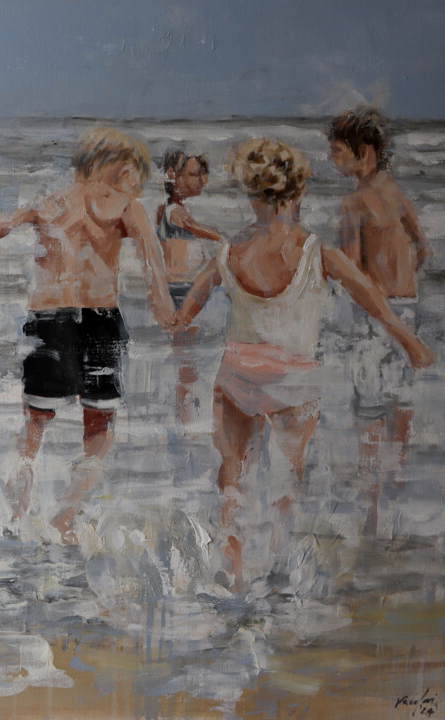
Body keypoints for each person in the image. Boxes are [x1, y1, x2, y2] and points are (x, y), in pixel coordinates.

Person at [176, 138, 434, 590]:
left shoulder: (228, 252)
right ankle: (280, 569)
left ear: (251, 195)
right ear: (299, 193)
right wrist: (410, 342)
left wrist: (175, 327)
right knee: (287, 474)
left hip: (237, 374)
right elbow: (373, 301)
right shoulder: (318, 252)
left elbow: (186, 312)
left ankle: (234, 569)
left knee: (232, 473)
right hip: (293, 379)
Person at [0, 127, 176, 542]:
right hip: (101, 321)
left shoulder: (51, 204)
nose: (139, 183)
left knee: (34, 429)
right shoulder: (126, 207)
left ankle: (16, 516)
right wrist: (171, 318)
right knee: (99, 430)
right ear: (123, 168)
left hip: (49, 320)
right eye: (138, 173)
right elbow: (156, 275)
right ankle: (65, 518)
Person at [329, 107, 432, 535]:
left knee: (370, 411)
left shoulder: (353, 204)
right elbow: (422, 247)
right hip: (407, 308)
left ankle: (373, 512)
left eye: (338, 152)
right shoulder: (397, 193)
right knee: (400, 406)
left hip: (374, 317)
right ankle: (396, 503)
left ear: (365, 153)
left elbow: (351, 273)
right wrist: (401, 281)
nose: (332, 159)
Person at [156, 150, 221, 429]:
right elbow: (196, 229)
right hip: (182, 291)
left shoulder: (169, 209)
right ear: (174, 176)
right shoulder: (175, 211)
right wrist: (226, 240)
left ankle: (186, 418)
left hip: (182, 289)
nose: (201, 180)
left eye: (202, 174)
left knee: (187, 362)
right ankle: (187, 422)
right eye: (194, 174)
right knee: (187, 363)